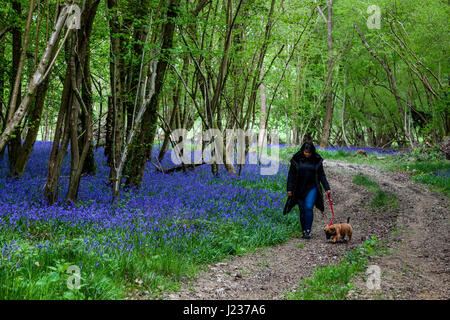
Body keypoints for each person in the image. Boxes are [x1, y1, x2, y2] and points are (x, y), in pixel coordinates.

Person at [286, 141, 331, 239]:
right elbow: (291, 175)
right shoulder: (296, 159)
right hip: (298, 188)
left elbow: (322, 175)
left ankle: (308, 231)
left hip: (312, 187)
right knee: (302, 210)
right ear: (302, 150)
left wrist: (327, 188)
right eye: (305, 152)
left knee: (308, 207)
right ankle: (303, 230)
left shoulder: (317, 159)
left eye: (309, 152)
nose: (307, 154)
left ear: (312, 152)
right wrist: (289, 188)